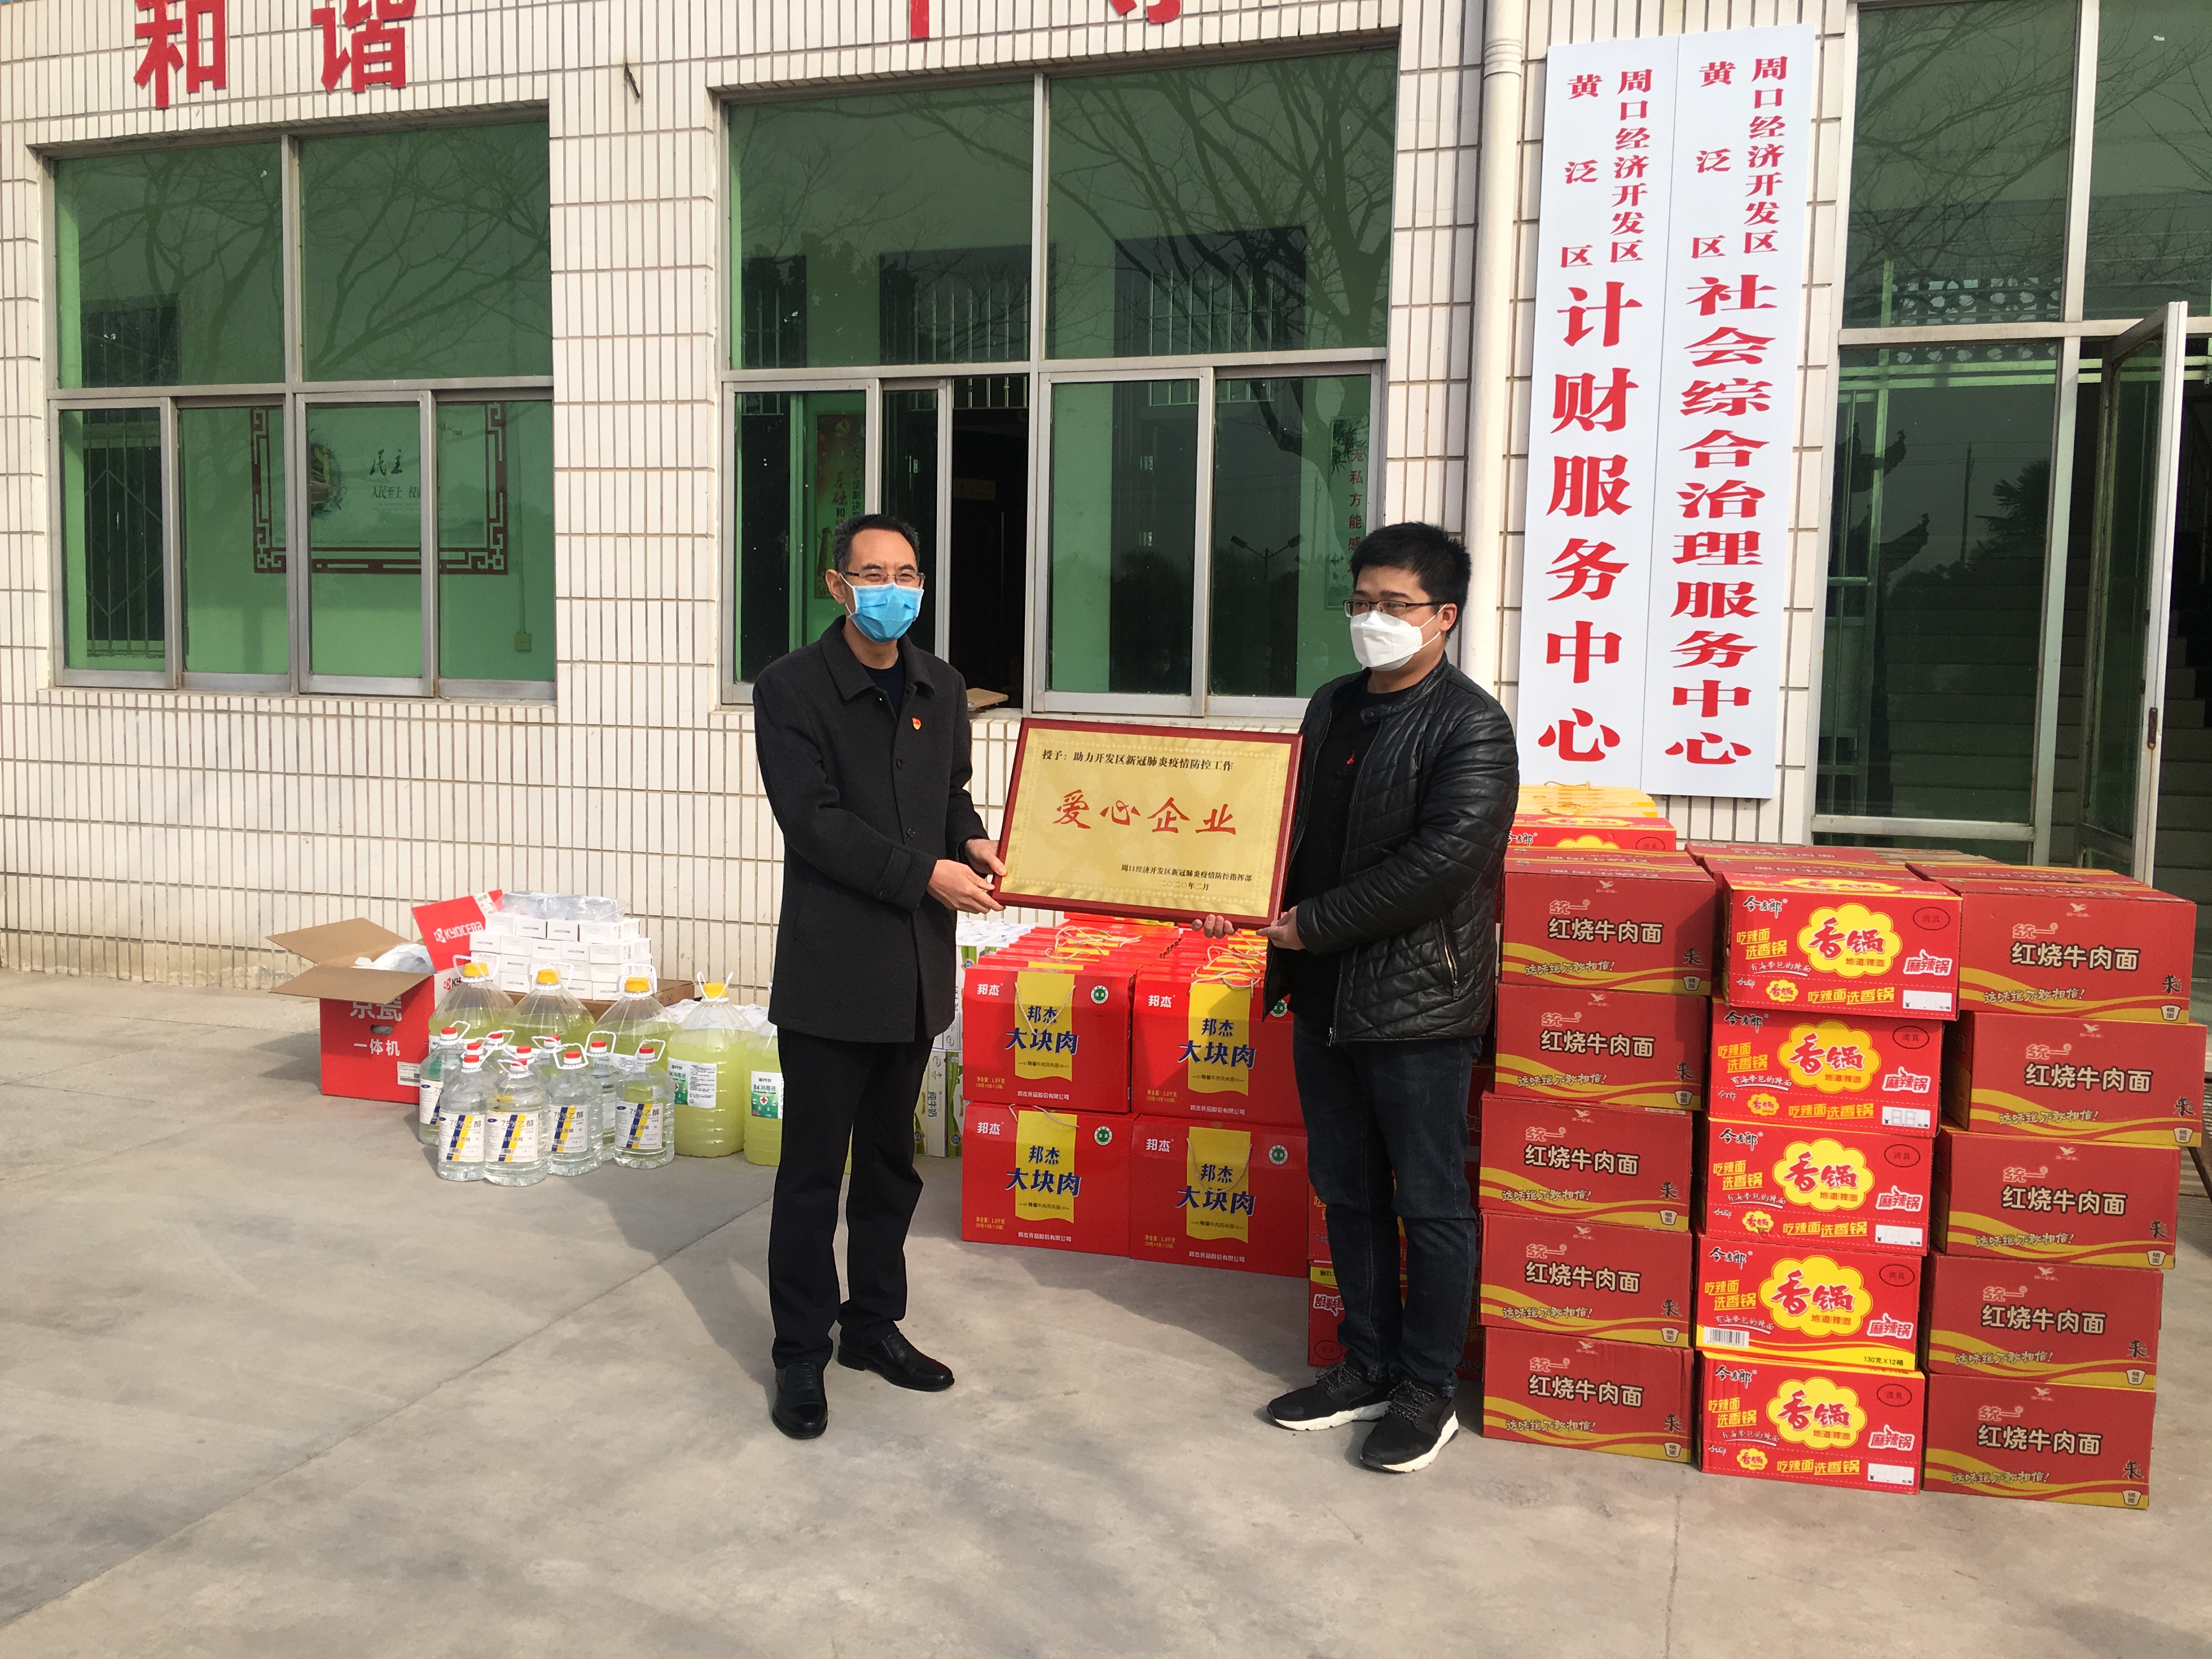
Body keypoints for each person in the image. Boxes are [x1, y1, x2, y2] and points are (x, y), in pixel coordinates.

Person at [1201, 521, 1515, 1474]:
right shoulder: (1333, 704)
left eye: (1397, 605)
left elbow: (1443, 864)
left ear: (1445, 617)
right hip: (1323, 993)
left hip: (1417, 1004)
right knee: (1347, 1190)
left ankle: (1426, 1389)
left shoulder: (1471, 727)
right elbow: (1285, 828)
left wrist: (1315, 924)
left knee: (1430, 1200)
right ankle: (1368, 1364)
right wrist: (1233, 893)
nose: (1374, 619)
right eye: (1362, 601)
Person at [752, 512, 1006, 1441]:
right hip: (832, 971)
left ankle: (872, 1327)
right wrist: (927, 875)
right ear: (837, 585)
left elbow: (950, 796)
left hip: (913, 974)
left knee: (893, 1170)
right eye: (872, 574)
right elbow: (813, 822)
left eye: (906, 574)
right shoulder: (791, 689)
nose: (891, 590)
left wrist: (971, 843)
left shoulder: (941, 684)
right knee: (813, 1175)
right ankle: (799, 1351)